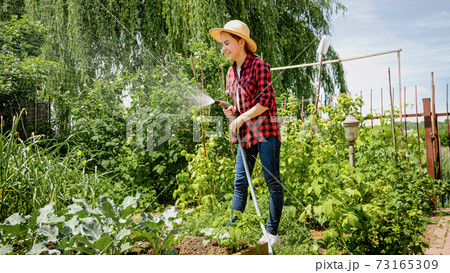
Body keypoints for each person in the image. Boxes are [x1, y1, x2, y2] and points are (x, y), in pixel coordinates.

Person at [209, 20, 283, 246]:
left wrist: (241, 117)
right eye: (222, 44)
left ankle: (271, 234)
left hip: (266, 132)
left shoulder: (260, 66)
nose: (223, 49)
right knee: (240, 183)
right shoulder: (230, 73)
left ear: (242, 42)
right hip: (246, 136)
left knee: (272, 182)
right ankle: (233, 230)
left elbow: (265, 102)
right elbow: (240, 105)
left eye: (227, 43)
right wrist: (233, 111)